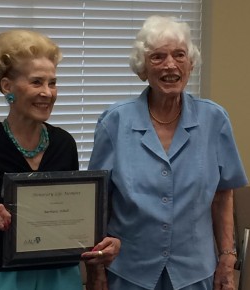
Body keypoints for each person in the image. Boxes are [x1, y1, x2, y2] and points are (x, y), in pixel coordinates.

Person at [0, 29, 120, 290]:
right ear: (7, 86)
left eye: (52, 83)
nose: (48, 93)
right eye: (37, 82)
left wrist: (97, 256)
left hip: (60, 277)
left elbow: (73, 217)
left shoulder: (64, 143)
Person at [88, 15, 248, 290]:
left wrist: (227, 259)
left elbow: (223, 196)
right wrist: (97, 269)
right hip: (129, 272)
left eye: (179, 55)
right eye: (158, 57)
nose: (170, 65)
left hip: (195, 273)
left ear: (191, 63)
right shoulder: (114, 122)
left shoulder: (214, 119)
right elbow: (98, 201)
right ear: (142, 69)